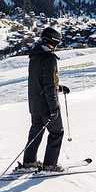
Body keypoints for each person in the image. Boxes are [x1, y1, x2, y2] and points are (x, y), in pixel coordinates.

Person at [21, 27, 69, 172]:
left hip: (35, 103)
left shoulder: (35, 55)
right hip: (47, 105)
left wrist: (58, 87)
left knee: (36, 131)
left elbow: (39, 81)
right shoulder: (49, 58)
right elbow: (48, 85)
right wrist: (54, 108)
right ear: (53, 42)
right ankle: (50, 165)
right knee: (56, 132)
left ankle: (29, 162)